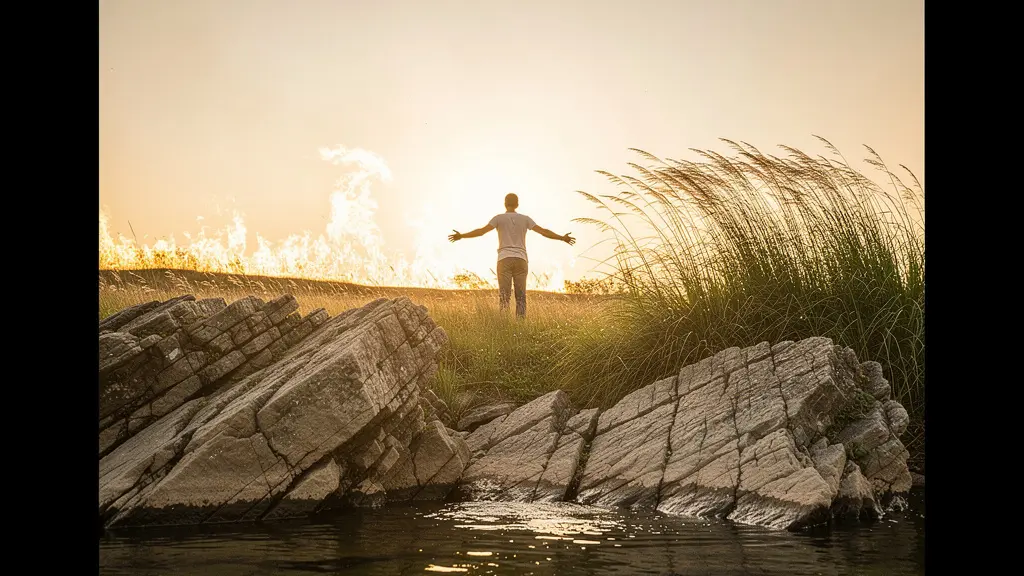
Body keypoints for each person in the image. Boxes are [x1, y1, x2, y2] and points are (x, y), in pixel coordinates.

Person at [448, 193, 575, 317]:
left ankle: (505, 325)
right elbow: (544, 232)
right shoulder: (525, 219)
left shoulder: (498, 218)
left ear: (505, 203)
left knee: (504, 296)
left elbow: (481, 232)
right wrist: (562, 238)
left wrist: (462, 236)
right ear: (517, 204)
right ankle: (520, 326)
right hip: (521, 259)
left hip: (504, 259)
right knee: (521, 297)